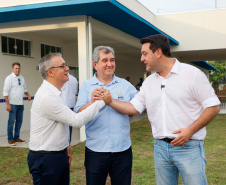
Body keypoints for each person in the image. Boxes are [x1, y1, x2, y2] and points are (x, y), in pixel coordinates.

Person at [104, 34, 221, 185]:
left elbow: (213, 106)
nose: (142, 58)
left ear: (158, 53)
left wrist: (190, 130)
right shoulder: (148, 82)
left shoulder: (192, 75)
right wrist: (110, 102)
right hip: (160, 149)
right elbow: (133, 108)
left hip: (189, 147)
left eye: (145, 54)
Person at [27, 53, 110, 185]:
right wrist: (103, 102)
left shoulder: (56, 92)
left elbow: (62, 121)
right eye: (63, 66)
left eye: (66, 65)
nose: (67, 69)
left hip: (57, 154)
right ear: (50, 72)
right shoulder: (47, 96)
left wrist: (65, 146)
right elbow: (76, 121)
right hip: (46, 158)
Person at [74, 46, 138, 185]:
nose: (110, 64)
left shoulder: (125, 85)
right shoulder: (86, 86)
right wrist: (92, 101)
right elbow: (79, 113)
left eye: (112, 60)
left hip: (122, 150)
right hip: (95, 150)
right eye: (105, 60)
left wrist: (110, 102)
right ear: (95, 64)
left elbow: (136, 109)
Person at [3, 62, 31, 146]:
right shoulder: (9, 78)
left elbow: (24, 89)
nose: (17, 70)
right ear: (12, 69)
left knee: (19, 121)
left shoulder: (21, 78)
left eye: (19, 68)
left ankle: (16, 137)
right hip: (12, 104)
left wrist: (28, 95)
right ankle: (10, 139)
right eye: (16, 68)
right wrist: (8, 104)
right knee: (11, 122)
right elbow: (5, 92)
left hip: (20, 104)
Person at [62, 73, 78, 143]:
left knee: (62, 127)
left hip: (62, 105)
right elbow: (75, 92)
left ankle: (64, 144)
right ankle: (68, 143)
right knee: (69, 127)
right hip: (71, 104)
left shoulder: (61, 78)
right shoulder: (74, 79)